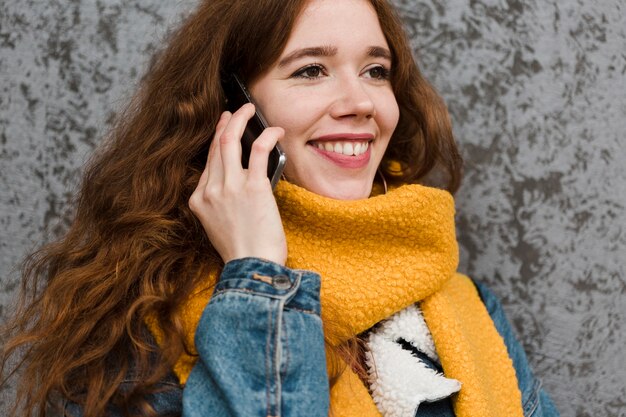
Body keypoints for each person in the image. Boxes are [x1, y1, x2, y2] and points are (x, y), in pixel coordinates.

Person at [1, 0, 560, 416]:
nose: (361, 102)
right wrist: (257, 278)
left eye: (376, 70)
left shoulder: (467, 306)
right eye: (310, 70)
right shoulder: (143, 335)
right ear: (234, 110)